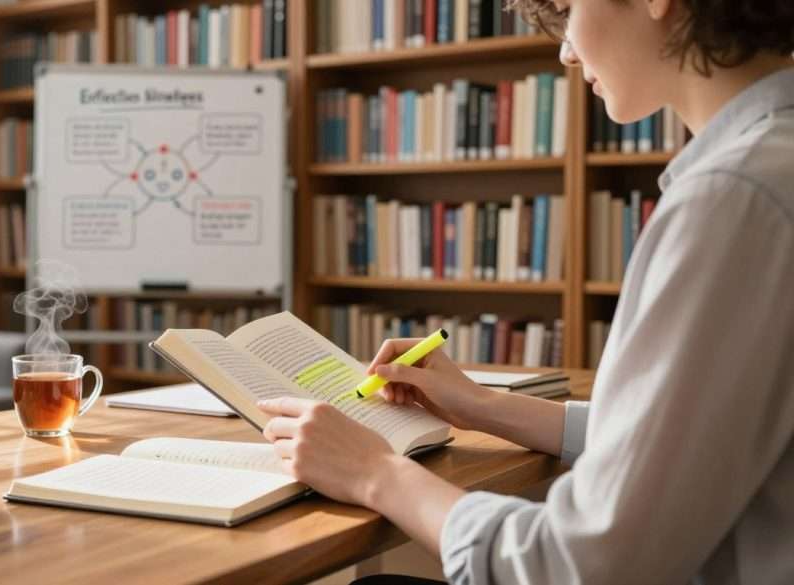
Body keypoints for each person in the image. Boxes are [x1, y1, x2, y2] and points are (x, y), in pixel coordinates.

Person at [257, 1, 794, 583]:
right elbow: (691, 439)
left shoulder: (733, 200)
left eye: (567, 11)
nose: (565, 51)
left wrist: (374, 474)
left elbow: (581, 565)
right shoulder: (769, 165)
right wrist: (485, 408)